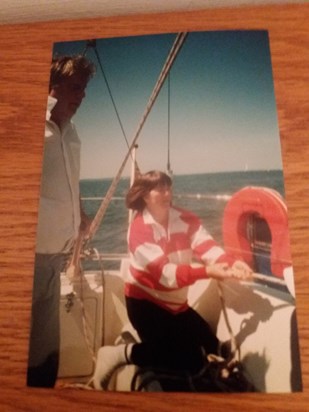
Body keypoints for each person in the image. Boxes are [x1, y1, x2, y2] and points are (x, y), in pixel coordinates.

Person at [93, 170, 252, 391]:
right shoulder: (138, 230)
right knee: (182, 358)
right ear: (146, 196)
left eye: (169, 187)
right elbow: (166, 274)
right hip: (145, 305)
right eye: (160, 188)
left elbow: (206, 246)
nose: (168, 192)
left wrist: (230, 262)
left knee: (214, 346)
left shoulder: (186, 219)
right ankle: (115, 355)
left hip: (177, 306)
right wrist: (209, 272)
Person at [27, 55, 96, 387]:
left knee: (45, 348)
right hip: (33, 256)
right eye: (75, 87)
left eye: (84, 90)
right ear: (50, 85)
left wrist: (80, 213)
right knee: (32, 350)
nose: (82, 96)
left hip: (57, 254)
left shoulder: (73, 133)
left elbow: (71, 179)